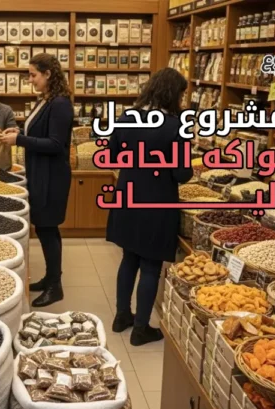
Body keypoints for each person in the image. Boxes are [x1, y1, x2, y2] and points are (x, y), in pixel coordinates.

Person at [105, 68, 192, 346]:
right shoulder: (176, 126)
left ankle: (121, 316)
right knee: (151, 265)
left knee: (128, 258)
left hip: (128, 196)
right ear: (173, 95)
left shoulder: (127, 117)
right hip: (157, 201)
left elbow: (114, 155)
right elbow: (181, 174)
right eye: (181, 94)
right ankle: (141, 328)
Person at [1, 53, 73, 308]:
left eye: (33, 75)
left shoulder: (61, 103)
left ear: (48, 74)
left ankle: (55, 286)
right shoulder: (46, 100)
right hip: (40, 173)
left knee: (48, 228)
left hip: (52, 177)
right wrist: (18, 132)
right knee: (44, 228)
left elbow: (55, 144)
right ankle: (50, 278)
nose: (30, 79)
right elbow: (40, 132)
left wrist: (19, 141)